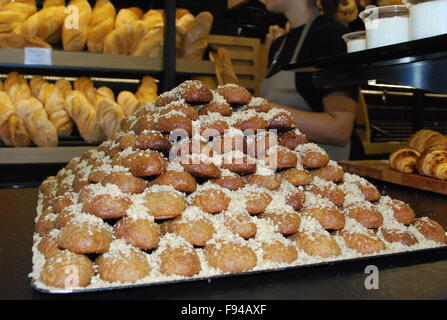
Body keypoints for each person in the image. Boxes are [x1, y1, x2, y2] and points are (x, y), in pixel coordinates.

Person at [261, 0, 358, 161]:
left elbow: (340, 129)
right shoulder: (278, 45)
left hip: (329, 169)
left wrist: (269, 111)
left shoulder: (331, 37)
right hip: (287, 167)